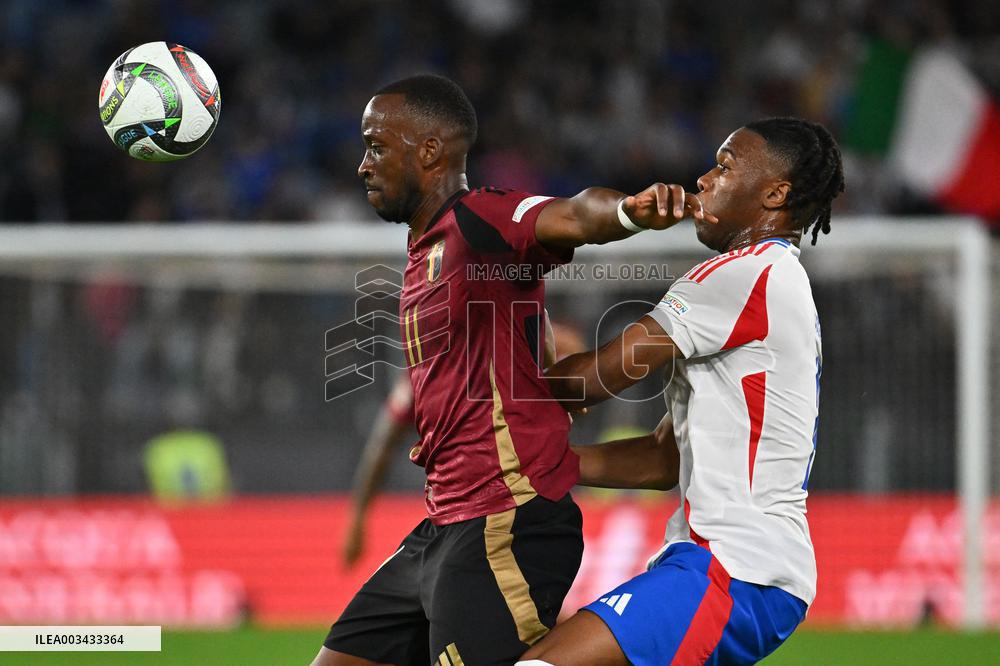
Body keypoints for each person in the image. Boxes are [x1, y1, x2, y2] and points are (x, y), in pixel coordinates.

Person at [313, 74, 715, 666]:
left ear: (429, 151)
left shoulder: (479, 218)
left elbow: (573, 216)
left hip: (502, 523)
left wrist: (627, 213)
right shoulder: (427, 251)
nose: (362, 165)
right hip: (443, 522)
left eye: (376, 146)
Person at [519, 118, 845, 665]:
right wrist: (546, 463)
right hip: (737, 571)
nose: (704, 177)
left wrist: (489, 376)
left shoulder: (743, 274)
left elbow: (588, 382)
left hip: (735, 569)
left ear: (774, 193)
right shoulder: (768, 278)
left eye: (725, 165)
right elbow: (662, 459)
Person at [341, 319, 586, 569]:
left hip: (521, 487)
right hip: (469, 500)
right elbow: (383, 444)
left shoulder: (511, 336)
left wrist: (558, 379)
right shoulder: (424, 373)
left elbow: (559, 341)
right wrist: (358, 519)